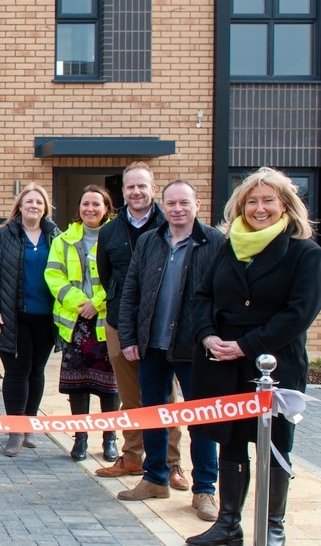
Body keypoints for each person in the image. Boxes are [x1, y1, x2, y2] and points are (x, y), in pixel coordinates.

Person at [186, 167, 321, 546]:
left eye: (268, 200)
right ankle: (228, 524)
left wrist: (247, 345)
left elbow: (299, 314)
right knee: (229, 440)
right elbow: (202, 297)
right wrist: (206, 335)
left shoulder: (305, 253)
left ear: (285, 206)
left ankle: (273, 527)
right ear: (241, 206)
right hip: (222, 360)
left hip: (274, 360)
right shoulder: (225, 247)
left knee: (275, 442)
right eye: (252, 201)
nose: (259, 208)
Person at [114, 180, 223, 522]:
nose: (177, 209)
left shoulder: (215, 243)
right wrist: (130, 337)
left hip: (195, 349)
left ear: (197, 205)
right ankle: (155, 478)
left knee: (202, 422)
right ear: (164, 205)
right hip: (152, 346)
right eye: (171, 203)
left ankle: (205, 489)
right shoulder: (150, 241)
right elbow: (131, 291)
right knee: (153, 414)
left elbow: (223, 296)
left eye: (184, 203)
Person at [96, 162, 186, 483]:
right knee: (130, 394)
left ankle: (172, 463)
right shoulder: (109, 231)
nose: (136, 192)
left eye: (142, 186)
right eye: (130, 186)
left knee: (164, 395)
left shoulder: (170, 224)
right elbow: (108, 278)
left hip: (162, 324)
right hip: (121, 323)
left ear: (152, 188)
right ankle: (132, 456)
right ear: (123, 190)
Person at [0, 183, 60, 457]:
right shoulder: (4, 236)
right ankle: (14, 432)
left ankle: (29, 425)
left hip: (47, 319)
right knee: (16, 373)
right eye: (29, 202)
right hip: (13, 318)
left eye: (39, 202)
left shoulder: (56, 237)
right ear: (20, 207)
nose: (33, 206)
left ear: (45, 207)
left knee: (37, 372)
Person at [46, 185, 118, 462]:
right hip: (76, 324)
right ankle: (81, 439)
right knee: (78, 385)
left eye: (96, 204)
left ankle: (110, 438)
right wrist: (81, 303)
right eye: (85, 204)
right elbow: (54, 276)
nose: (90, 209)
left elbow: (119, 277)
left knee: (109, 387)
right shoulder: (63, 240)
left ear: (106, 208)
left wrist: (96, 303)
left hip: (105, 320)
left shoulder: (115, 237)